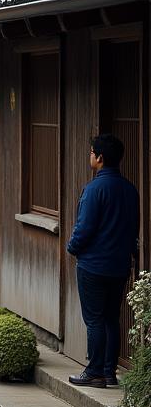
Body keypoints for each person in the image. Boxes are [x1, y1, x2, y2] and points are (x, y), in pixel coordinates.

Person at [66, 133, 140, 388]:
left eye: (91, 152)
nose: (90, 156)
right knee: (111, 318)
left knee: (95, 319)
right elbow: (133, 229)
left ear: (99, 157)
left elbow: (83, 228)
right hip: (119, 265)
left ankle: (95, 370)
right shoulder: (130, 189)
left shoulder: (94, 189)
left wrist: (72, 248)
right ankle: (109, 372)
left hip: (93, 265)